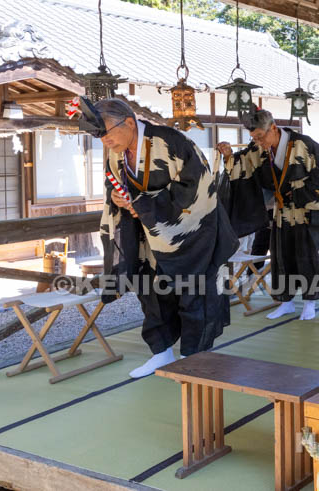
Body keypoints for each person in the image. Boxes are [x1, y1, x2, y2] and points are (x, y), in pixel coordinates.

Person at [78, 97, 237, 379]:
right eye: (100, 137)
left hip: (191, 234)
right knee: (150, 292)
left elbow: (195, 186)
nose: (105, 142)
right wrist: (117, 197)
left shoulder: (171, 141)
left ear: (128, 122)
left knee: (193, 294)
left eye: (107, 134)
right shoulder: (117, 150)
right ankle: (161, 353)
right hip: (148, 236)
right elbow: (113, 183)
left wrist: (141, 205)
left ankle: (193, 357)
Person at [218, 107, 319, 321]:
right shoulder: (260, 148)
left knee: (309, 256)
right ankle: (285, 302)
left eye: (260, 136)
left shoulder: (303, 145)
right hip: (282, 212)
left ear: (273, 129)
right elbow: (244, 165)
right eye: (254, 138)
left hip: (307, 211)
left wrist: (299, 192)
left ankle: (309, 302)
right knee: (281, 256)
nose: (258, 142)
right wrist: (229, 155)